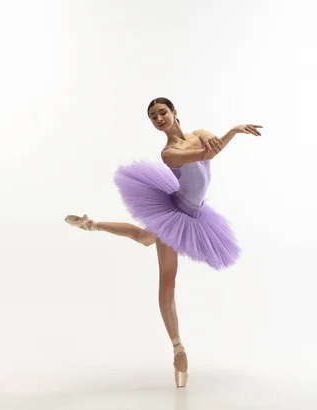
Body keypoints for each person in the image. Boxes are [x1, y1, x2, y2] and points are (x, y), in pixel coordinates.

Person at [65, 97, 262, 387]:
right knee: (168, 279)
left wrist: (225, 136)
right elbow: (204, 156)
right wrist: (233, 132)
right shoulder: (169, 153)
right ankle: (178, 349)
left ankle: (92, 224)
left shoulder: (201, 133)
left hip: (196, 213)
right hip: (177, 211)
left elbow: (212, 146)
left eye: (162, 112)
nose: (158, 118)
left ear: (174, 112)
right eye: (153, 116)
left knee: (146, 237)